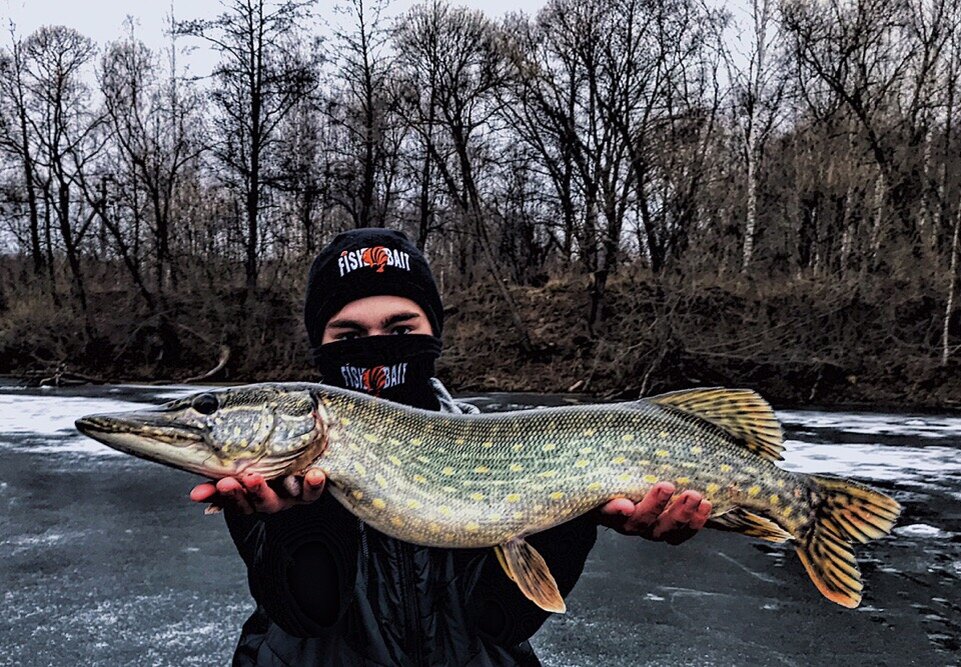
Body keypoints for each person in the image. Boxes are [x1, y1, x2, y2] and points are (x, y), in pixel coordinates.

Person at [189, 229, 712, 666]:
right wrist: (298, 521)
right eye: (347, 337)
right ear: (318, 348)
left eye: (400, 327)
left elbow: (502, 619)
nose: (376, 344)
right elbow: (308, 615)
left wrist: (571, 512)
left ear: (432, 332)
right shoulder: (265, 473)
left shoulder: (491, 444)